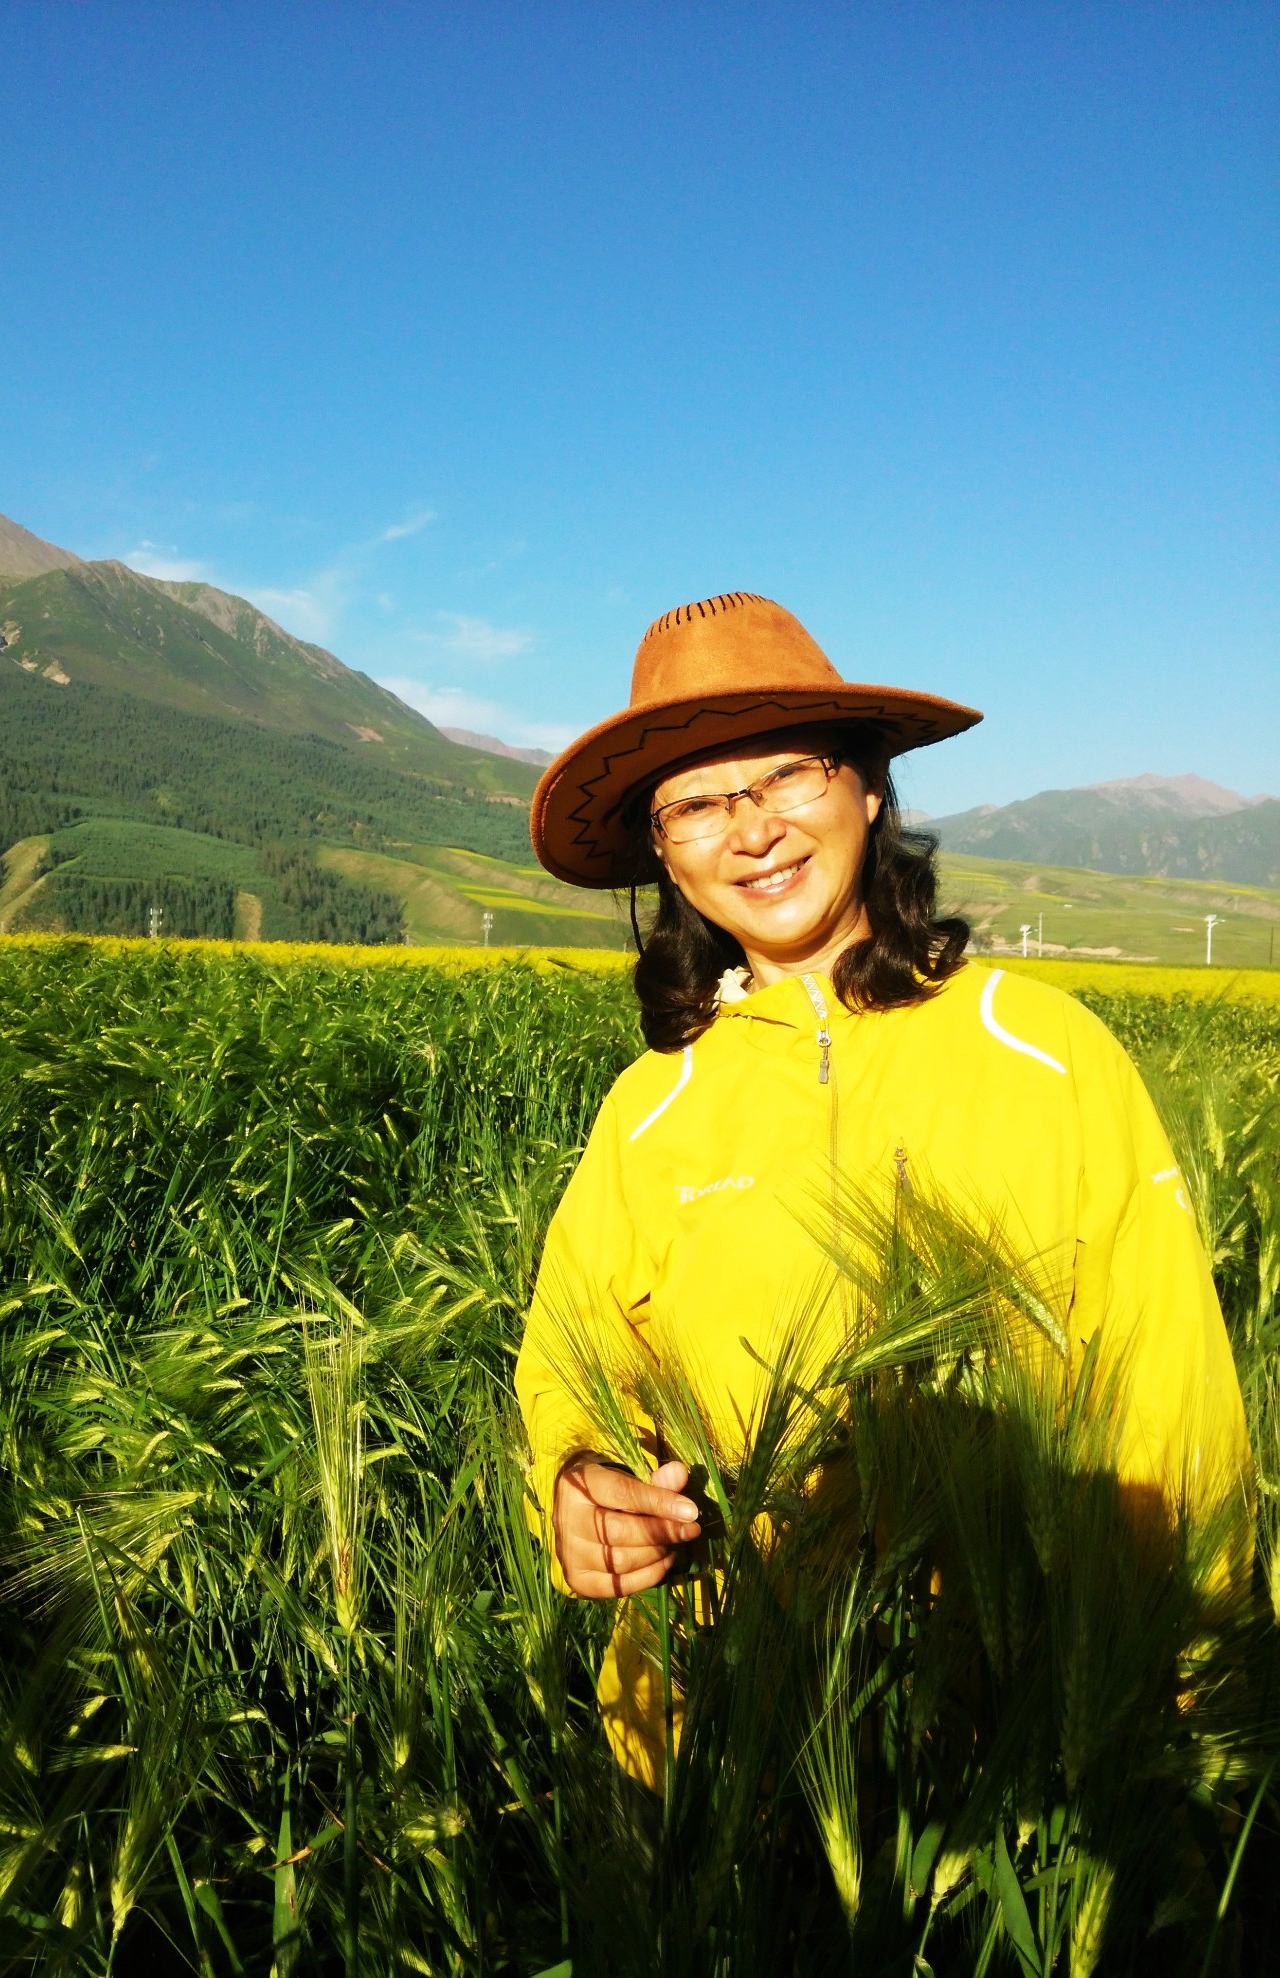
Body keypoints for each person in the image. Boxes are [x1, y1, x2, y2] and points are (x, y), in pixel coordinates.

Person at [514, 590, 1253, 1788]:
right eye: (697, 802)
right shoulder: (643, 1113)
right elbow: (566, 1358)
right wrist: (577, 1481)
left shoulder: (1048, 1051)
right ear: (662, 851)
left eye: (788, 776)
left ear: (868, 785)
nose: (749, 830)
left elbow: (1176, 1405)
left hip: (1023, 1748)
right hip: (719, 1745)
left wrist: (1196, 1694)